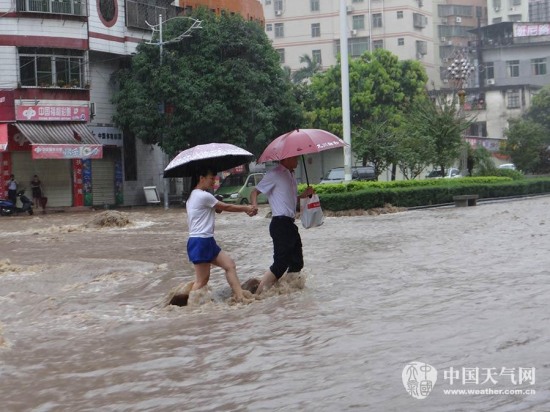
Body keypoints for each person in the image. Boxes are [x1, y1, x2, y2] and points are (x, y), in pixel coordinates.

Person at [186, 168, 258, 302]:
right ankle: (189, 307)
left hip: (206, 240)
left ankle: (240, 297)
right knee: (202, 281)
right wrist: (246, 208)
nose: (213, 181)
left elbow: (216, 210)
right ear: (201, 178)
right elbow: (226, 207)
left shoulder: (193, 196)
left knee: (229, 265)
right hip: (200, 242)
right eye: (211, 179)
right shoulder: (203, 195)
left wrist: (217, 205)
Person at [250, 156, 314, 294]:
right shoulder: (275, 174)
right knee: (280, 263)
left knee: (297, 262)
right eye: (294, 158)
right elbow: (255, 191)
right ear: (286, 159)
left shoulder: (291, 175)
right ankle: (258, 295)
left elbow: (289, 199)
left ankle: (289, 292)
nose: (297, 160)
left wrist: (303, 195)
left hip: (290, 224)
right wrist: (254, 205)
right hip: (280, 223)